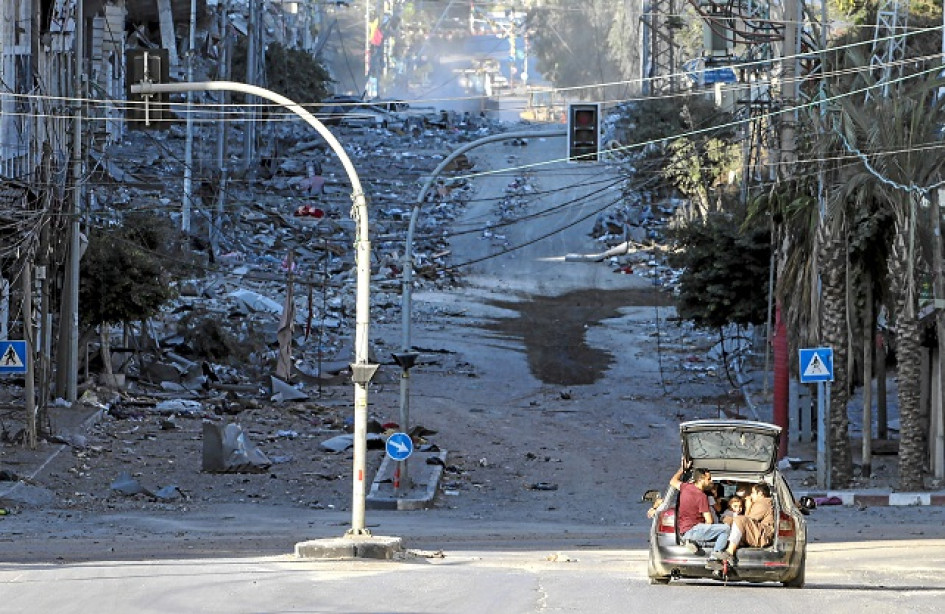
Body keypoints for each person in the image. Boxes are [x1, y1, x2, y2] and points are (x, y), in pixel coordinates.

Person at [668, 464, 731, 561]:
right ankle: (714, 557)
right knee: (726, 529)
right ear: (701, 479)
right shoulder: (702, 496)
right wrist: (710, 530)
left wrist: (682, 469)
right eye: (708, 479)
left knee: (718, 537)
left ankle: (692, 542)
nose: (711, 481)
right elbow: (709, 521)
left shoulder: (685, 487)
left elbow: (672, 481)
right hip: (695, 530)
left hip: (684, 532)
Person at [714, 482, 775, 564]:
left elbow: (748, 520)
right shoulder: (760, 503)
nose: (751, 495)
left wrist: (748, 506)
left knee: (739, 519)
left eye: (753, 493)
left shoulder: (763, 503)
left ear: (760, 493)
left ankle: (730, 551)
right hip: (756, 532)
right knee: (729, 519)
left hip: (761, 536)